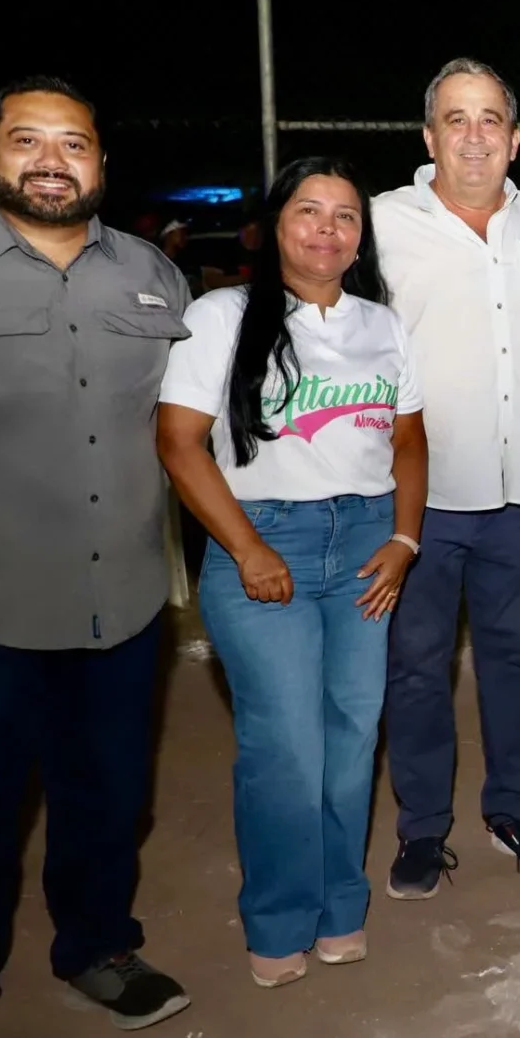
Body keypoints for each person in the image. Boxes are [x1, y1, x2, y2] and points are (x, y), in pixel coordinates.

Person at [0, 80, 194, 1038]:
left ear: (100, 163)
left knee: (109, 795)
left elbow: (187, 423)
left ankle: (97, 947)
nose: (51, 160)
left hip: (119, 602)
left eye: (73, 143)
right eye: (28, 140)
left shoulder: (152, 274)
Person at [158, 157, 426, 988]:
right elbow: (178, 442)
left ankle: (341, 905)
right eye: (308, 210)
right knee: (286, 746)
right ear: (273, 225)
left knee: (352, 738)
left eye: (345, 216)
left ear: (360, 238)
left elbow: (409, 439)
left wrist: (405, 538)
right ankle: (278, 917)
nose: (327, 229)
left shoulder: (383, 323)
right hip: (264, 540)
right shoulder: (221, 316)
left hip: (366, 545)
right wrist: (246, 547)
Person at [372, 59, 520, 895]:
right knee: (417, 666)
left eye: (491, 119)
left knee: (510, 660)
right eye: (457, 119)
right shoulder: (381, 222)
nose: (475, 135)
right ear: (430, 137)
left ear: (516, 140)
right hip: (420, 496)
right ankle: (422, 829)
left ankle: (514, 810)